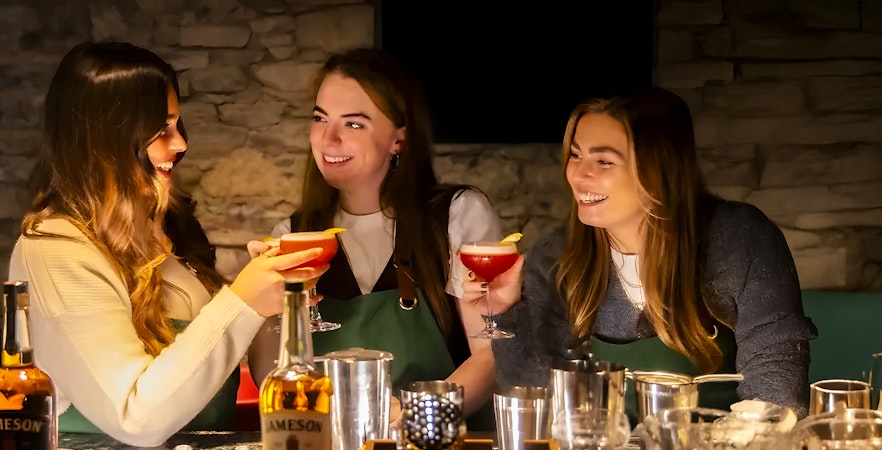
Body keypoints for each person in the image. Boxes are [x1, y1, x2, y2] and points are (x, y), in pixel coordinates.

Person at [8, 41, 327, 447]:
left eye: (177, 125)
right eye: (162, 131)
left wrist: (270, 304)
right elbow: (137, 417)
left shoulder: (168, 232)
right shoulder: (56, 248)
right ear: (103, 140)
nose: (180, 145)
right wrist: (243, 299)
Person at [469, 87, 818, 421]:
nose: (578, 174)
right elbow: (537, 397)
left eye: (604, 161)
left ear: (658, 170)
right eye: (575, 155)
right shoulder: (555, 255)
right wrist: (508, 314)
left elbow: (777, 386)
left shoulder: (738, 238)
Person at [246, 47, 504, 429]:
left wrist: (418, 419)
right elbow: (274, 375)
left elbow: (491, 352)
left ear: (398, 139)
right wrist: (264, 306)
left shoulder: (457, 214)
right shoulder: (293, 234)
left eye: (354, 124)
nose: (328, 139)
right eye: (320, 119)